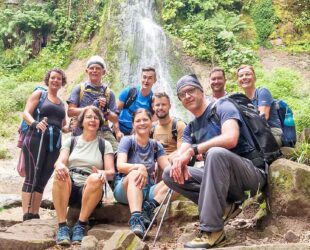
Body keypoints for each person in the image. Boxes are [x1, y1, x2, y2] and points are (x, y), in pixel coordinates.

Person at [162, 74, 267, 249]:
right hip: (223, 182)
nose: (187, 96)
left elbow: (231, 138)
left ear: (201, 91)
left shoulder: (223, 106)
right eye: (183, 94)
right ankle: (226, 206)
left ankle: (213, 231)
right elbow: (181, 153)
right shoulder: (190, 128)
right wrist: (178, 161)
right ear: (180, 100)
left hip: (250, 175)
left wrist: (196, 149)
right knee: (169, 174)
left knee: (215, 153)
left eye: (191, 91)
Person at [52, 106, 114, 246]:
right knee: (61, 174)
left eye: (96, 117)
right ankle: (62, 227)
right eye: (89, 117)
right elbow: (59, 162)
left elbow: (111, 172)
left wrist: (102, 172)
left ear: (100, 122)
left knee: (95, 177)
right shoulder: (71, 141)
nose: (92, 120)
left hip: (91, 188)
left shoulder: (105, 144)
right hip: (69, 187)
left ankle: (80, 224)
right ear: (82, 121)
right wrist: (61, 166)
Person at [114, 108, 171, 238]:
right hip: (125, 188)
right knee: (135, 174)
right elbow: (120, 166)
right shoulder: (127, 140)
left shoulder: (156, 145)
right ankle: (136, 219)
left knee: (177, 177)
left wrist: (179, 166)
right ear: (133, 124)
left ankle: (149, 207)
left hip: (148, 190)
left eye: (145, 119)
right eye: (138, 120)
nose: (142, 123)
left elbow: (167, 169)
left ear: (152, 122)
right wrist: (140, 167)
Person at [22, 69, 68, 221]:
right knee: (32, 176)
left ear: (62, 82)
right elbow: (26, 113)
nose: (55, 80)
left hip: (54, 144)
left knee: (43, 179)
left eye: (59, 79)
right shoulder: (40, 95)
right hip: (36, 138)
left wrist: (71, 128)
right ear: (48, 80)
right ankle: (26, 214)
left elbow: (63, 126)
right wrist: (35, 123)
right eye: (53, 78)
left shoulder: (62, 103)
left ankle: (35, 213)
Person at [67, 55, 122, 151]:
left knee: (118, 152)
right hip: (81, 130)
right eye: (91, 68)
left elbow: (115, 119)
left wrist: (106, 111)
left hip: (103, 131)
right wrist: (91, 108)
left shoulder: (109, 93)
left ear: (103, 72)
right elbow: (70, 112)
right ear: (86, 71)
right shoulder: (80, 88)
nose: (94, 70)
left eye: (98, 68)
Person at [237, 65, 283, 146]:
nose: (244, 77)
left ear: (254, 77)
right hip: (255, 134)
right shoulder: (241, 99)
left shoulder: (262, 92)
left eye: (248, 74)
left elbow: (263, 118)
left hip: (271, 132)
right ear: (238, 80)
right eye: (241, 76)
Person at [117, 67, 156, 135]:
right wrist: (117, 131)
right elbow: (115, 111)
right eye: (144, 77)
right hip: (120, 129)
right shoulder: (129, 91)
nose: (146, 80)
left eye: (150, 78)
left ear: (154, 80)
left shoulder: (153, 100)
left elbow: (153, 121)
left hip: (138, 134)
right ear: (141, 78)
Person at [152, 92, 186, 162]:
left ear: (170, 106)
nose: (160, 108)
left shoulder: (179, 125)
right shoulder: (152, 128)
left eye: (164, 104)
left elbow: (181, 151)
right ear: (153, 107)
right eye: (157, 105)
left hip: (174, 164)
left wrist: (161, 161)